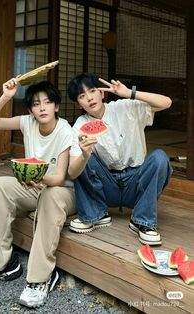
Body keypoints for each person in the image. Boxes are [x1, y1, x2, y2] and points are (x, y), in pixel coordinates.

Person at [0, 77, 76, 308]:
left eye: (47, 102)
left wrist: (33, 176)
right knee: (0, 185)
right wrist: (6, 96)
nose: (42, 107)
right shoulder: (27, 122)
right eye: (36, 104)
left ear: (56, 106)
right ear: (30, 110)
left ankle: (40, 279)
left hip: (61, 193)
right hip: (34, 187)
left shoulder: (65, 130)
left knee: (50, 194)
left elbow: (58, 178)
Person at [67, 72, 172, 246]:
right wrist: (85, 155)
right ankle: (96, 214)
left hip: (136, 182)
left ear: (102, 93)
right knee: (82, 159)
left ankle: (142, 221)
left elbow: (166, 102)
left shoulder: (125, 107)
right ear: (78, 103)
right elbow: (72, 171)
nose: (89, 98)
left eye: (92, 91)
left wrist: (130, 93)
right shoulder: (80, 125)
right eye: (82, 96)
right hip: (107, 186)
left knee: (160, 158)